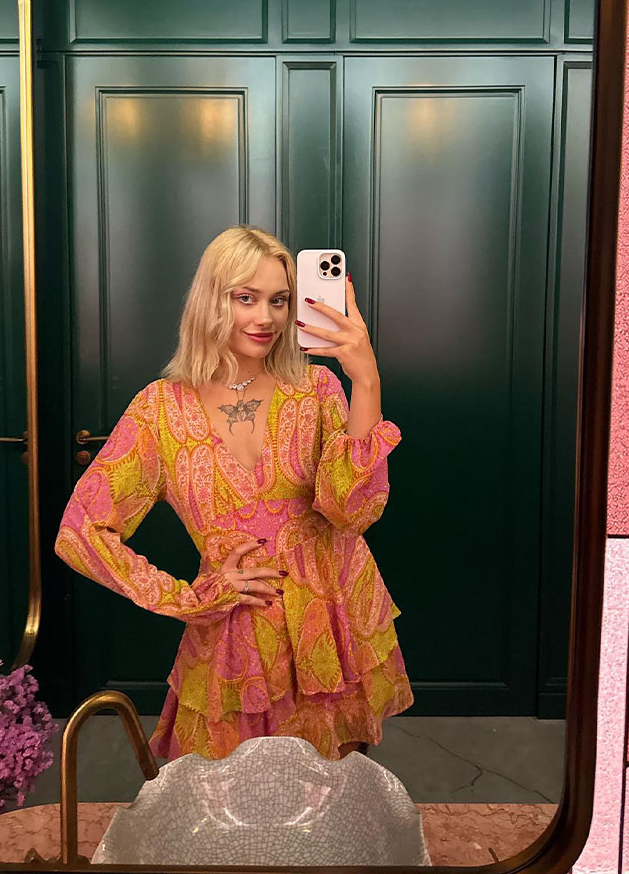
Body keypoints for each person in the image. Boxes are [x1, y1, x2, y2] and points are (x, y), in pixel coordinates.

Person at [54, 225, 414, 762]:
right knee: (231, 813)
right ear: (210, 300)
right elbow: (79, 532)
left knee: (327, 801)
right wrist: (187, 597)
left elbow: (354, 510)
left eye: (279, 300)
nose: (264, 318)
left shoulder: (316, 390)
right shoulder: (160, 411)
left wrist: (366, 382)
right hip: (236, 640)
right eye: (245, 298)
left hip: (332, 627)